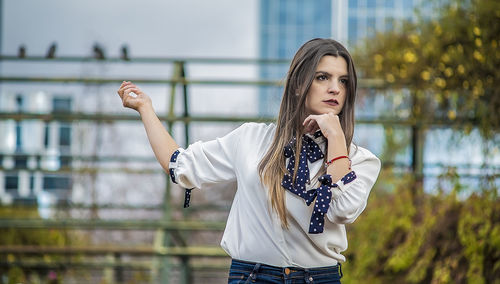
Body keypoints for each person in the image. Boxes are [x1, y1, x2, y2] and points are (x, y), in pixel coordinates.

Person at [117, 38, 381, 284]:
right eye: (323, 77)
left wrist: (335, 138)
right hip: (252, 276)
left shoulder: (361, 161)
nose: (335, 88)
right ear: (299, 84)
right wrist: (146, 109)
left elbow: (342, 210)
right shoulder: (251, 139)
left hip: (319, 277)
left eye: (343, 81)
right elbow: (180, 165)